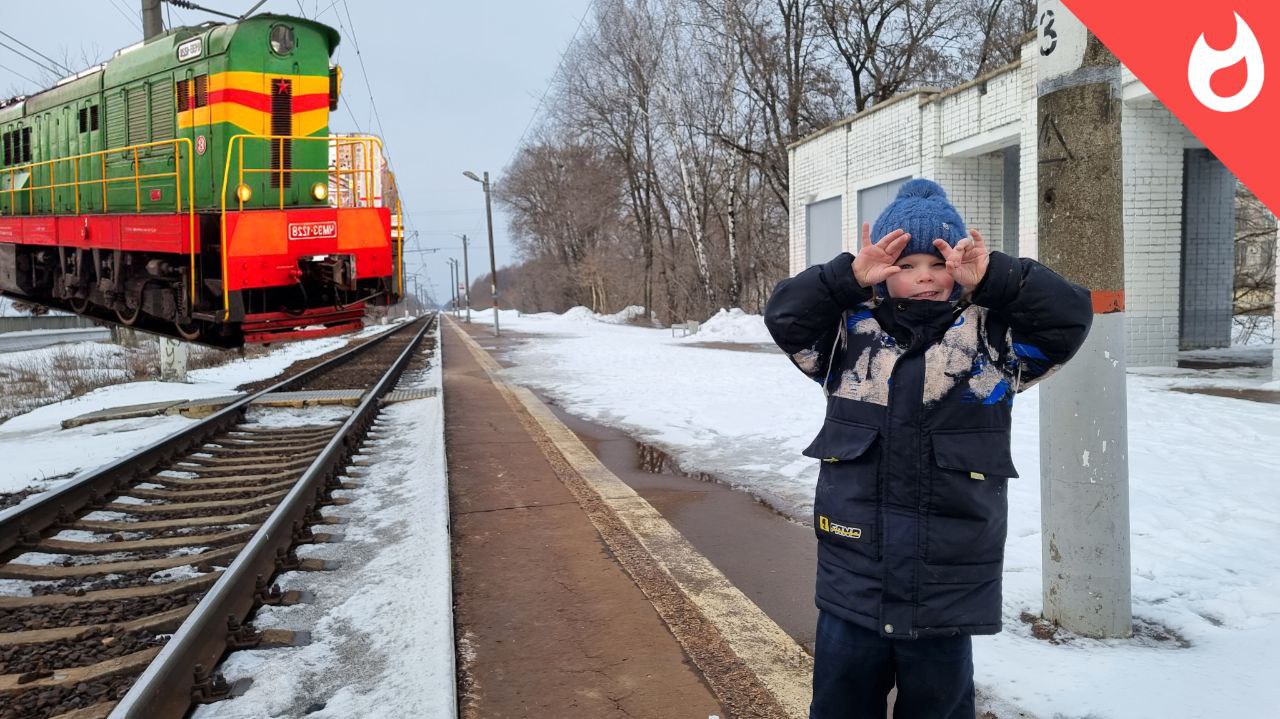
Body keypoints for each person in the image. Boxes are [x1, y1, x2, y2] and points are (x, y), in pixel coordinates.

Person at [763, 179, 1093, 718]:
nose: (923, 277)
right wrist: (847, 277)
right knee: (840, 706)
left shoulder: (991, 341)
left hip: (947, 581)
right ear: (884, 269)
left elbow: (1070, 316)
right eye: (906, 263)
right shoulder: (848, 337)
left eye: (937, 263)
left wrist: (996, 279)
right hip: (855, 577)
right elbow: (785, 315)